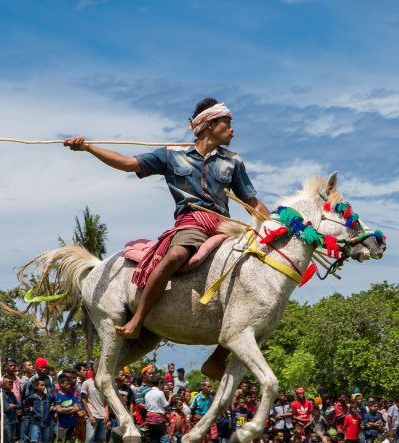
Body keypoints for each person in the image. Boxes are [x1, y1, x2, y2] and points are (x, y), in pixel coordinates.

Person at [64, 98, 268, 380]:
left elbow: (251, 202)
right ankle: (137, 320)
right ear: (209, 126)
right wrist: (87, 148)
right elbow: (127, 163)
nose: (233, 130)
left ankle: (218, 357)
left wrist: (277, 226)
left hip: (225, 227)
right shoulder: (172, 155)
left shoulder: (233, 162)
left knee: (251, 274)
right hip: (192, 223)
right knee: (176, 255)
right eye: (227, 124)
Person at [81, 372, 109, 443]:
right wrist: (90, 416)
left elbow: (106, 401)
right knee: (90, 441)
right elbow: (84, 400)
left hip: (103, 417)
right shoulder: (87, 383)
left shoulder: (103, 384)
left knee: (101, 442)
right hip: (93, 416)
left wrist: (106, 414)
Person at [25, 379, 56, 443]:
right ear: (36, 387)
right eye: (41, 385)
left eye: (44, 385)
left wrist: (53, 406)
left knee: (45, 442)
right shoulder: (32, 397)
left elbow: (55, 402)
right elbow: (25, 404)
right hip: (35, 422)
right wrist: (29, 408)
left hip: (46, 421)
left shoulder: (48, 397)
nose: (43, 387)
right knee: (34, 440)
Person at [144, 377, 171, 443]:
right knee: (164, 440)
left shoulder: (147, 393)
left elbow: (146, 407)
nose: (163, 386)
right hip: (158, 419)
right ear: (159, 383)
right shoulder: (160, 393)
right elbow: (166, 406)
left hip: (150, 419)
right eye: (163, 384)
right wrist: (170, 397)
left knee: (154, 440)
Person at [55, 375, 79, 443]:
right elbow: (59, 410)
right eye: (67, 384)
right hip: (62, 425)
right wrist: (71, 408)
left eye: (69, 384)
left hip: (72, 424)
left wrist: (65, 410)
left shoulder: (71, 395)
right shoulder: (57, 396)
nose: (69, 385)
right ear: (61, 384)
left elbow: (76, 408)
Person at [0, 374, 20, 443]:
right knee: (7, 438)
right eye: (9, 384)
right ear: (3, 385)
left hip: (13, 419)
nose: (11, 386)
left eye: (12, 384)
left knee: (12, 438)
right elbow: (7, 408)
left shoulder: (12, 394)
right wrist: (14, 406)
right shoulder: (2, 394)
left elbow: (19, 405)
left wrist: (13, 405)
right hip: (7, 420)